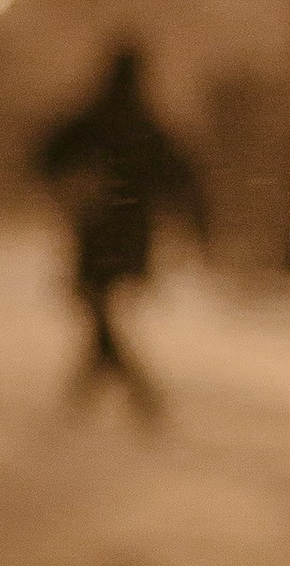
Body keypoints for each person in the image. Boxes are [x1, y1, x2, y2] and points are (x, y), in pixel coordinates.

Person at [32, 37, 206, 425]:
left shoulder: (92, 119)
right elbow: (178, 178)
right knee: (100, 307)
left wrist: (72, 188)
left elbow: (46, 153)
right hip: (130, 231)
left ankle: (130, 387)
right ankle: (115, 385)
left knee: (97, 304)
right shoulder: (146, 125)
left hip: (95, 229)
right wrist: (196, 226)